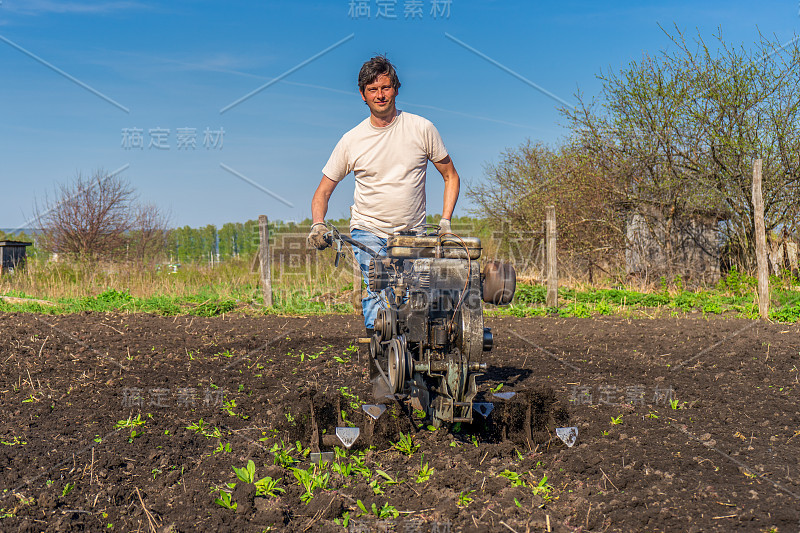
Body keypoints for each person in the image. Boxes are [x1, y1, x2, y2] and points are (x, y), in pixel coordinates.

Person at [308, 55, 460, 335]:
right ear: (362, 95)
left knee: (421, 297)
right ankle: (382, 358)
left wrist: (446, 222)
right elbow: (323, 191)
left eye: (386, 87)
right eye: (372, 90)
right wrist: (318, 223)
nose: (380, 95)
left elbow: (451, 176)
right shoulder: (351, 140)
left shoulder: (422, 129)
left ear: (396, 89)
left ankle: (415, 356)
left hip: (413, 233)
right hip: (369, 230)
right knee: (380, 287)